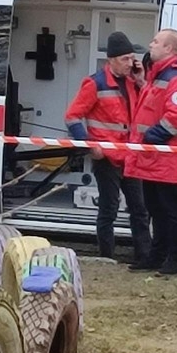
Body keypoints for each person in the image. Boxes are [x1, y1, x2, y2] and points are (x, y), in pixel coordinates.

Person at [65, 32, 152, 262]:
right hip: (106, 157)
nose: (130, 63)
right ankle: (106, 258)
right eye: (125, 59)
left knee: (140, 210)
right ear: (110, 60)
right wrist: (90, 146)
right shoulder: (95, 83)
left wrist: (143, 81)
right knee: (108, 210)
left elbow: (150, 105)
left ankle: (144, 257)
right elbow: (72, 117)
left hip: (130, 155)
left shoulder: (134, 83)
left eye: (132, 58)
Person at [125, 29, 177, 276]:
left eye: (156, 41)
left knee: (172, 211)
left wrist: (153, 136)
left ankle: (176, 260)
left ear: (170, 49)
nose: (151, 44)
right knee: (156, 209)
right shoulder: (160, 75)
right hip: (153, 156)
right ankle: (157, 256)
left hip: (165, 156)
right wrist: (141, 81)